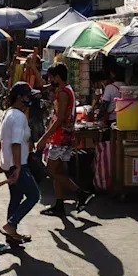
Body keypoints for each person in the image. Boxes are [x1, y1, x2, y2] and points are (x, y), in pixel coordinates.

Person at [35, 63, 94, 217]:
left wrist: (44, 137)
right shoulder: (67, 90)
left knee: (51, 171)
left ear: (58, 77)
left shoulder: (63, 93)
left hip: (60, 138)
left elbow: (60, 119)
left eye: (52, 77)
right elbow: (43, 86)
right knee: (59, 171)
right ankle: (59, 205)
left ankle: (81, 193)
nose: (51, 81)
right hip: (64, 137)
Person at [0, 82, 40, 243]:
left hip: (9, 163)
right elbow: (15, 143)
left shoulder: (9, 113)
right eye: (26, 96)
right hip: (17, 164)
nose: (29, 100)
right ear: (19, 98)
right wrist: (17, 167)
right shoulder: (18, 116)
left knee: (16, 197)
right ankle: (11, 225)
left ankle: (11, 233)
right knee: (33, 195)